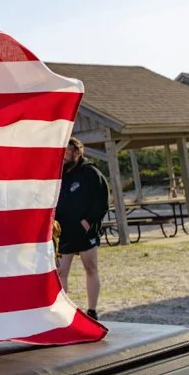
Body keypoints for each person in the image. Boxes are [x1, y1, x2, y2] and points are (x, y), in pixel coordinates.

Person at [54, 137, 108, 320]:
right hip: (64, 232)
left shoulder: (90, 172)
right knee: (60, 272)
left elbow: (102, 200)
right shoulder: (59, 174)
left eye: (67, 152)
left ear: (77, 152)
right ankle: (63, 311)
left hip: (85, 231)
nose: (64, 156)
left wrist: (89, 221)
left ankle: (92, 310)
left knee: (91, 268)